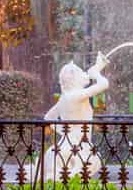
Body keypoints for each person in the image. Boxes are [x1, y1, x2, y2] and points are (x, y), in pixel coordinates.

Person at [40, 53, 110, 182]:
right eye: (80, 72)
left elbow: (48, 117)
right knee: (93, 163)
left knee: (65, 180)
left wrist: (64, 129)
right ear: (74, 79)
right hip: (79, 147)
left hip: (66, 143)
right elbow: (104, 84)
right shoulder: (76, 95)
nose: (84, 73)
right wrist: (96, 73)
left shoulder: (65, 97)